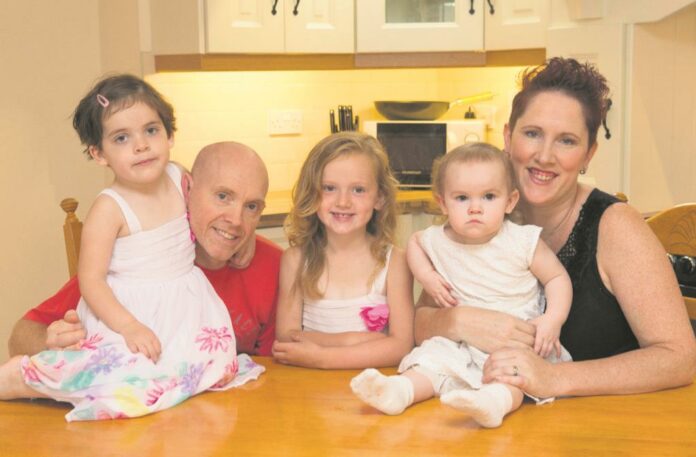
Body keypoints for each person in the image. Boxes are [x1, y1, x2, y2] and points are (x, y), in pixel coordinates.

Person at [414, 57, 696, 400]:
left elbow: (680, 358)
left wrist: (555, 377)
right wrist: (458, 322)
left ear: (589, 154)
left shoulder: (616, 225)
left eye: (566, 141)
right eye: (532, 134)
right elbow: (420, 323)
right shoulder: (473, 214)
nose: (544, 156)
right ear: (508, 136)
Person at [0, 75, 265, 421]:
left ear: (170, 135)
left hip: (184, 305)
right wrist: (128, 327)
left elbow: (212, 218)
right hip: (132, 312)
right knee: (122, 378)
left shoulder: (178, 177)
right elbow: (91, 280)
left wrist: (243, 244)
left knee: (214, 364)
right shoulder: (109, 208)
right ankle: (26, 377)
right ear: (98, 153)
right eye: (122, 138)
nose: (140, 145)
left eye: (151, 131)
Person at [351, 143, 572, 427]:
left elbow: (557, 278)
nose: (475, 208)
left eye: (489, 196)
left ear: (510, 201)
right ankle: (401, 391)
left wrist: (553, 318)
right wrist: (427, 276)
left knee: (515, 374)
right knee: (431, 359)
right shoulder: (437, 239)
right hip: (458, 342)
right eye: (462, 198)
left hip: (514, 340)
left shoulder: (522, 241)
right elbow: (415, 244)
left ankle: (495, 402)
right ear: (443, 203)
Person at [8, 140, 280, 359]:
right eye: (223, 197)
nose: (236, 220)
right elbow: (20, 335)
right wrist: (51, 341)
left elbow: (276, 372)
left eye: (251, 207)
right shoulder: (135, 259)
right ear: (187, 189)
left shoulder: (275, 266)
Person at [272, 132, 414, 369]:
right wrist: (352, 340)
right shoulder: (295, 260)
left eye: (358, 190)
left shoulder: (395, 262)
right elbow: (287, 338)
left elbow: (401, 346)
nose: (343, 202)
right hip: (310, 392)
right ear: (311, 193)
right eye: (329, 188)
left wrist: (322, 356)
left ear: (379, 198)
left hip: (374, 391)